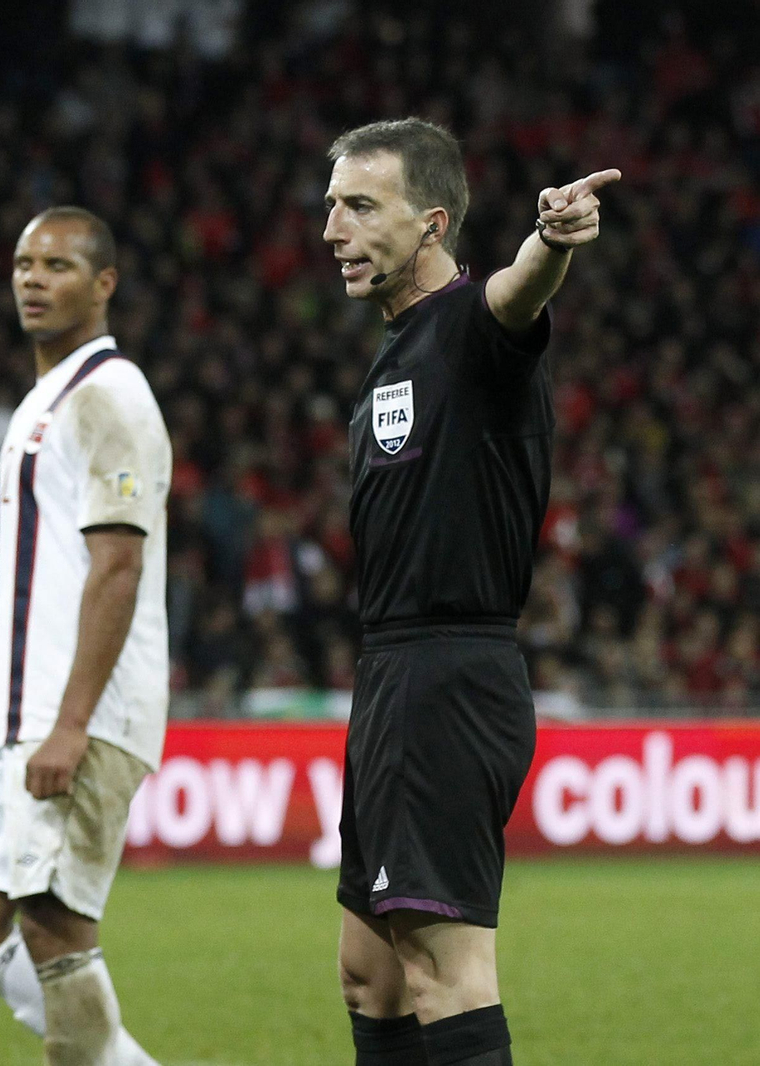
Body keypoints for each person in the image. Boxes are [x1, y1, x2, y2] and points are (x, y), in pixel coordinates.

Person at [322, 118, 619, 1066]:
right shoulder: (399, 349)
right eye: (330, 205)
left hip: (446, 677)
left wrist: (549, 243)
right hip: (394, 678)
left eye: (360, 206)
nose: (332, 228)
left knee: (446, 972)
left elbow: (515, 297)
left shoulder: (467, 328)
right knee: (370, 971)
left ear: (432, 223)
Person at [0, 206, 171, 1066]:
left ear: (103, 285)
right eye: (25, 263)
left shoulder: (112, 398)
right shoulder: (43, 402)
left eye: (58, 266)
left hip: (79, 710)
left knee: (55, 923)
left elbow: (115, 571)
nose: (34, 279)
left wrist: (70, 724)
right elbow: (36, 587)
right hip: (19, 709)